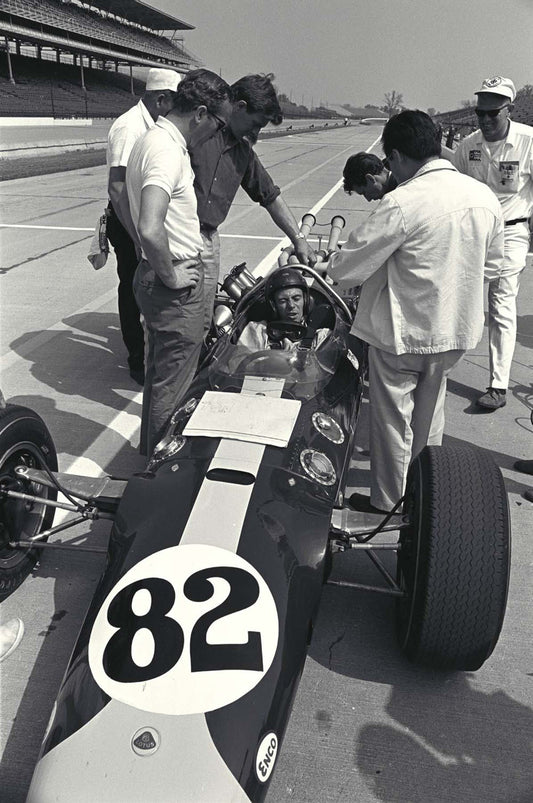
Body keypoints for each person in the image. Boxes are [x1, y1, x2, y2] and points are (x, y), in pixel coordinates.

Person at [326, 110, 504, 513]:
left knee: (393, 421)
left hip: (403, 333)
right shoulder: (483, 196)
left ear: (397, 156)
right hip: (455, 330)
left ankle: (389, 503)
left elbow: (348, 267)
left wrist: (333, 262)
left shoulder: (403, 201)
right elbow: (493, 266)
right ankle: (428, 497)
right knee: (430, 416)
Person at [125, 69, 232, 456]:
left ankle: (148, 455)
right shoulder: (167, 151)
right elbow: (150, 227)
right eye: (218, 124)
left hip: (155, 275)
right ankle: (159, 471)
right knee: (175, 387)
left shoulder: (150, 139)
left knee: (159, 376)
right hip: (174, 284)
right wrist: (171, 275)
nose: (217, 133)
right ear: (200, 113)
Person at [190, 73, 316, 333]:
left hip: (208, 238)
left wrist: (299, 239)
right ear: (240, 106)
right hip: (176, 234)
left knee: (201, 319)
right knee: (171, 318)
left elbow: (270, 196)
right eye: (255, 124)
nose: (256, 133)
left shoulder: (243, 152)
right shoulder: (198, 134)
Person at [453, 76, 533, 410]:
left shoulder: (528, 141)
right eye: (479, 113)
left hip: (512, 233)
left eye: (492, 113)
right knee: (459, 298)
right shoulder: (468, 145)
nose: (485, 120)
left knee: (501, 306)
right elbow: (453, 187)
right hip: (474, 234)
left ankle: (498, 386)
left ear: (508, 110)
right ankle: (436, 366)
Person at [106, 67, 182, 385]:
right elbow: (117, 188)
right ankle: (137, 359)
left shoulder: (154, 126)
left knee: (147, 289)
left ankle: (153, 351)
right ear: (161, 99)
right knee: (132, 288)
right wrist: (137, 237)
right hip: (128, 223)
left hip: (142, 220)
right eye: (176, 102)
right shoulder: (130, 127)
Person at [238, 267, 329, 351]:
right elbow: (240, 360)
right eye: (283, 301)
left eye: (296, 299)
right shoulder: (258, 331)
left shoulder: (321, 337)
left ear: (305, 301)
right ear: (274, 305)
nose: (291, 305)